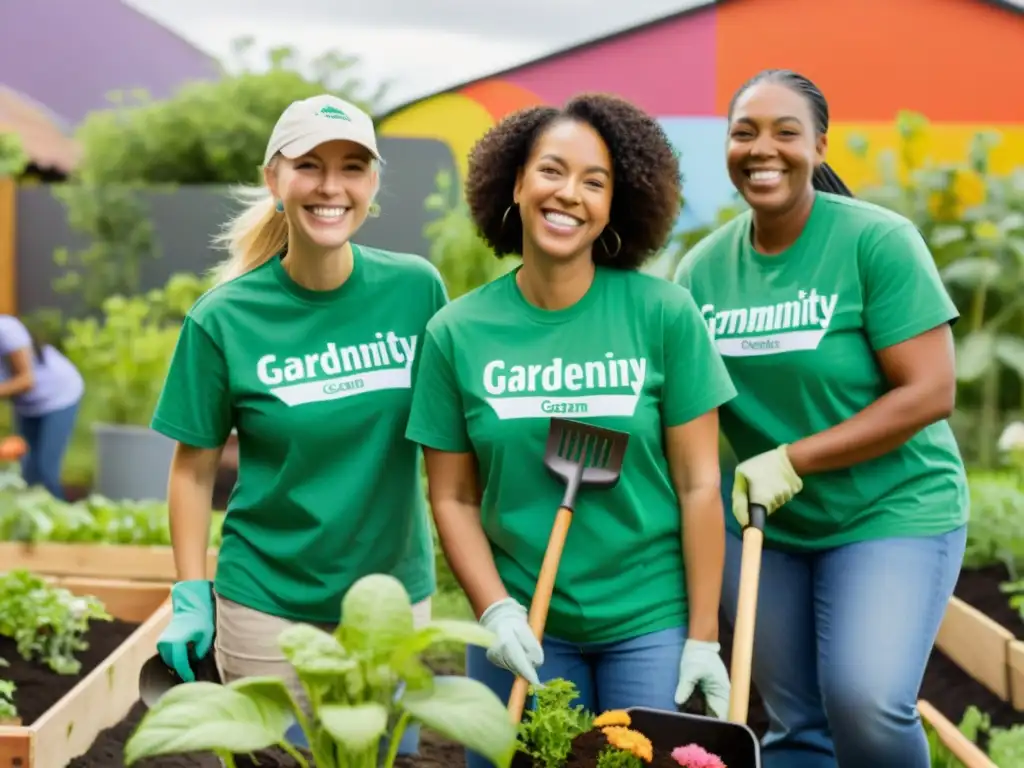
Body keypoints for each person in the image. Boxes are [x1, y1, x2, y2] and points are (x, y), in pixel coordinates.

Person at [404, 93, 738, 767]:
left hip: (647, 619)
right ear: (517, 182)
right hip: (524, 621)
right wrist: (495, 610)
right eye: (553, 171)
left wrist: (703, 634)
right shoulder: (456, 333)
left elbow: (700, 483)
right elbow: (452, 497)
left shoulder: (664, 314)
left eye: (596, 181)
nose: (570, 194)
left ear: (618, 204)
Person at [674, 69, 968, 768]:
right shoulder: (701, 271)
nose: (761, 148)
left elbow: (930, 392)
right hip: (766, 529)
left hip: (890, 509)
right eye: (743, 132)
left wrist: (794, 459)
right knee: (796, 723)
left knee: (865, 700)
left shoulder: (875, 243)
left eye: (785, 132)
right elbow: (684, 411)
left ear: (820, 145)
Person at [148, 94, 447, 755]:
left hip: (391, 597)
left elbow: (453, 443)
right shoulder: (224, 318)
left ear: (373, 184)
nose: (330, 186)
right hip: (267, 601)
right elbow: (193, 471)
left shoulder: (417, 291)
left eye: (352, 167)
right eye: (309, 165)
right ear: (273, 181)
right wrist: (191, 590)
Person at [0, 315, 84, 499]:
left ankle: (62, 522)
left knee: (46, 470)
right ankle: (34, 524)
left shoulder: (6, 330)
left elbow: (26, 380)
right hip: (27, 406)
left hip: (59, 396)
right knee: (28, 473)